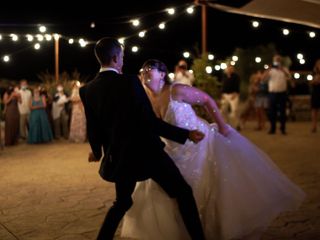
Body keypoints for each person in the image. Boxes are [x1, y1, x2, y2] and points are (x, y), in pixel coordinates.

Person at [121, 59, 306, 240]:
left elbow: (207, 100)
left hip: (200, 144)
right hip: (170, 149)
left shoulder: (177, 90)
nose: (145, 71)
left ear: (162, 74)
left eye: (150, 68)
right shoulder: (143, 95)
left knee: (207, 186)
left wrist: (223, 126)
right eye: (143, 69)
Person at [79, 37, 206, 240]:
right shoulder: (130, 82)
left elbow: (94, 128)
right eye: (121, 56)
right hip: (147, 153)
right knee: (182, 192)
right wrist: (185, 134)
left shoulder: (87, 90)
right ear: (114, 58)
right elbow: (150, 122)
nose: (123, 60)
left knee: (122, 203)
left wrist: (97, 151)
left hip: (119, 158)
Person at [263, 54, 293, 135]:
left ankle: (283, 129)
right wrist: (268, 69)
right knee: (272, 111)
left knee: (283, 112)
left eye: (278, 59)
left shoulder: (285, 69)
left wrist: (282, 70)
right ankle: (272, 129)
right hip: (272, 93)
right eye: (276, 60)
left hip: (282, 93)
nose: (277, 61)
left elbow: (290, 78)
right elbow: (263, 79)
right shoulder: (270, 70)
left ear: (281, 61)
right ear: (273, 61)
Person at [220, 64, 241, 130]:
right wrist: (222, 94)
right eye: (228, 68)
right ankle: (226, 124)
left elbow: (237, 86)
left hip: (234, 95)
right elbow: (223, 85)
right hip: (225, 95)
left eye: (231, 68)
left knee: (234, 110)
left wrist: (236, 93)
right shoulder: (224, 76)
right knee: (223, 110)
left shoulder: (236, 76)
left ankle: (235, 125)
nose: (229, 69)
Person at [310, 59, 320, 133]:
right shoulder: (314, 73)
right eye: (318, 64)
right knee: (314, 110)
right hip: (315, 93)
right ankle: (314, 126)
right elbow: (310, 82)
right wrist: (314, 81)